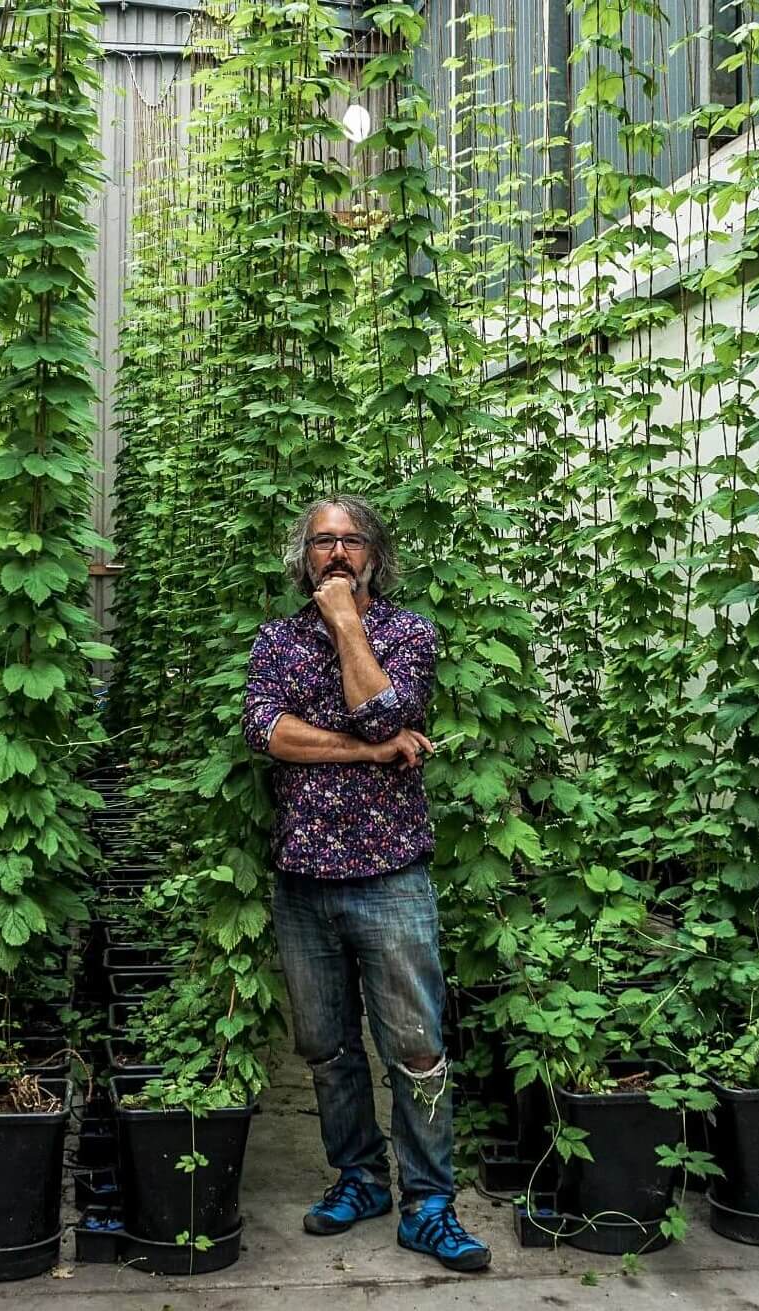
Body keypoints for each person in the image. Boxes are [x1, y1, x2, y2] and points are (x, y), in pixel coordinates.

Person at [240, 495, 489, 1273]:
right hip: (303, 879)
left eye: (350, 541)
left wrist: (347, 623)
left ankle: (429, 1203)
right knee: (326, 1047)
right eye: (323, 541)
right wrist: (368, 753)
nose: (336, 552)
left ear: (374, 553)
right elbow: (266, 732)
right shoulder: (275, 639)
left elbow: (385, 713)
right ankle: (358, 1178)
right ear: (301, 556)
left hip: (390, 878)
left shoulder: (408, 632)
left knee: (415, 1046)